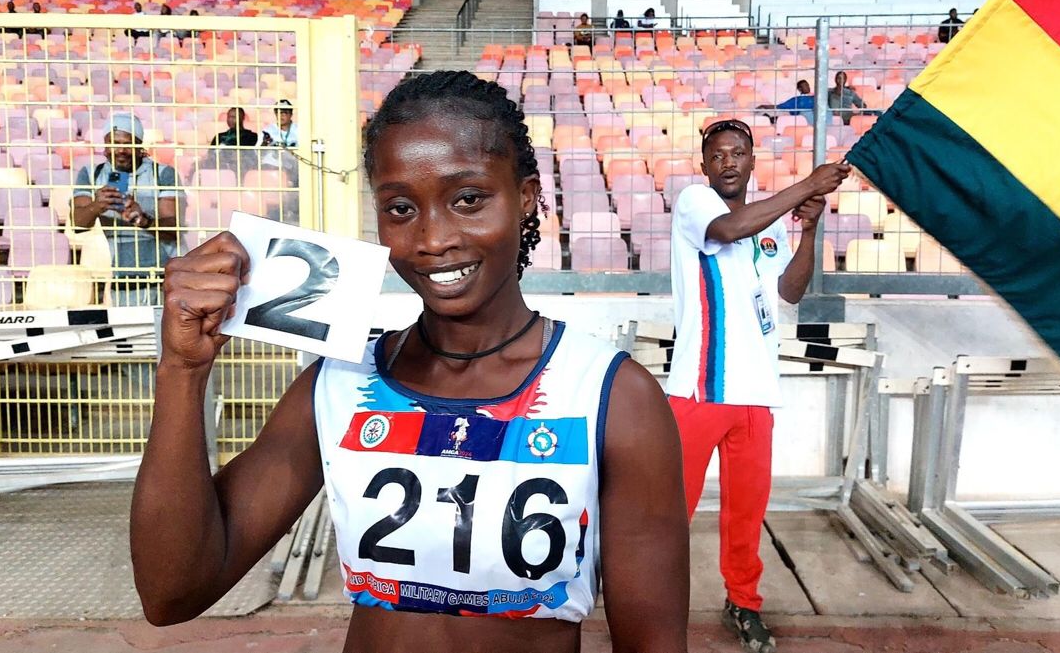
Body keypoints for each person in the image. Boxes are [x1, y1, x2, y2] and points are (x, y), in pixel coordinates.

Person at [130, 70, 690, 652]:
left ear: (526, 199)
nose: (432, 238)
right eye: (400, 208)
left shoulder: (610, 395)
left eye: (468, 199)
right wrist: (183, 371)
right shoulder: (340, 382)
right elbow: (172, 594)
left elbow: (653, 644)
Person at [667, 118, 849, 653]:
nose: (728, 161)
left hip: (757, 394)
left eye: (738, 153)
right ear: (705, 165)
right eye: (718, 154)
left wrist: (810, 229)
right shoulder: (695, 203)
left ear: (752, 161)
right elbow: (728, 231)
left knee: (745, 514)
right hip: (701, 388)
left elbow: (788, 293)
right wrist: (810, 184)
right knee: (672, 507)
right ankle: (654, 600)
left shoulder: (769, 224)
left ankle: (743, 602)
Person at [71, 113, 181, 306]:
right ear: (105, 147)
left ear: (139, 147)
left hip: (164, 275)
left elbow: (174, 229)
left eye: (127, 144)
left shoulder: (163, 174)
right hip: (122, 277)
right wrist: (97, 205)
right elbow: (78, 224)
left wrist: (144, 220)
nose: (120, 150)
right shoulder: (91, 173)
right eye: (114, 144)